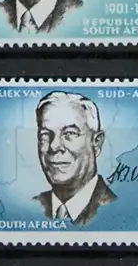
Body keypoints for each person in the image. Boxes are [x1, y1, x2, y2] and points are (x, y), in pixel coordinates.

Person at [34, 92, 116, 226]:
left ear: (96, 143)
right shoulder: (34, 206)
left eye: (69, 133)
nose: (54, 146)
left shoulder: (116, 210)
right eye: (45, 134)